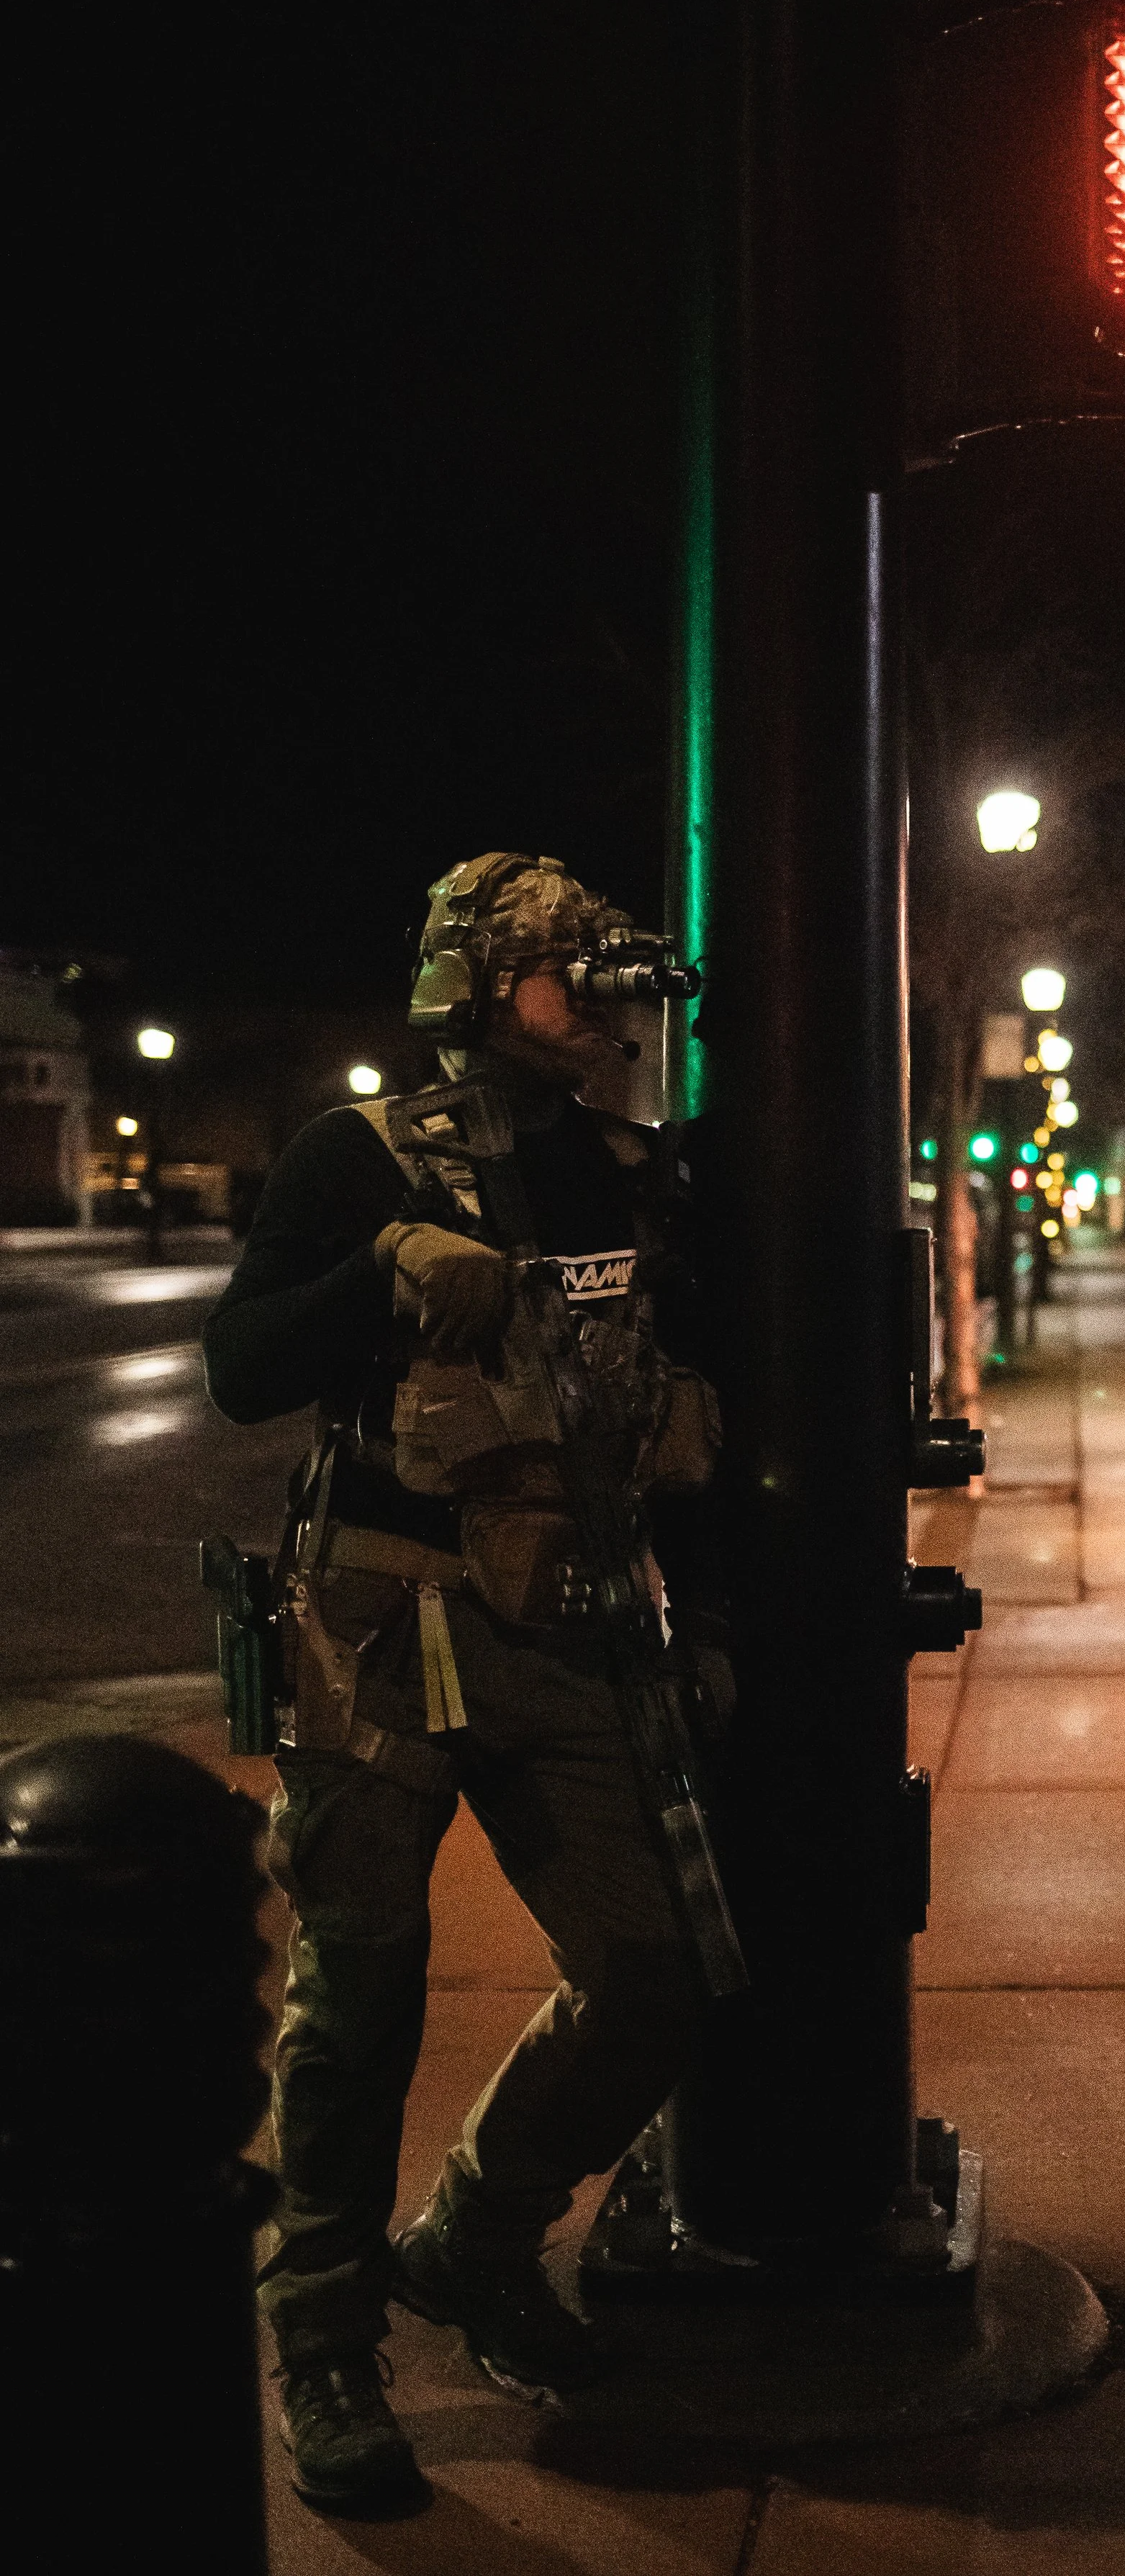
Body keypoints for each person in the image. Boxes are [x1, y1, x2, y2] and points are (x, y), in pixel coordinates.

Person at [204, 853, 720, 2519]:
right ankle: (324, 2340)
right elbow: (240, 1371)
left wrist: (696, 1608)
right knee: (357, 1998)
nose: (609, 1001)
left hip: (567, 1618)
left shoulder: (638, 1174)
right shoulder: (358, 1158)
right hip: (377, 1621)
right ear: (490, 984)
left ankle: (473, 2243)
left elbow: (672, 1402)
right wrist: (372, 1276)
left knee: (657, 1966)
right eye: (576, 973)